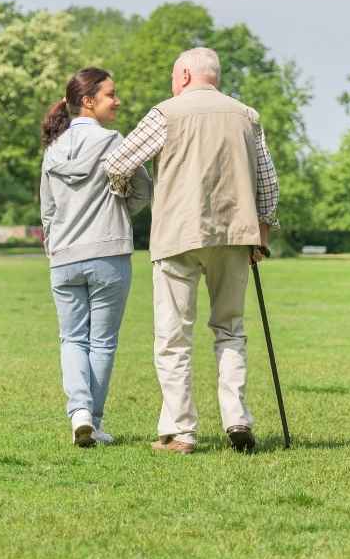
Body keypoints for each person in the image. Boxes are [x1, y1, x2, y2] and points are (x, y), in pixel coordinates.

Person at [103, 48, 280, 454]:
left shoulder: (166, 113)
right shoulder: (246, 115)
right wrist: (262, 234)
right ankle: (236, 418)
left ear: (183, 75)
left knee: (173, 337)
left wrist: (129, 197)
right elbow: (267, 181)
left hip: (178, 235)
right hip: (236, 236)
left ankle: (180, 431)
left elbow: (117, 163)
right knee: (230, 328)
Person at [39, 67, 151, 448]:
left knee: (71, 340)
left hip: (64, 257)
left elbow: (48, 210)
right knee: (101, 342)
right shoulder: (115, 142)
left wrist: (57, 244)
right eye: (110, 95)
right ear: (88, 101)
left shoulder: (53, 149)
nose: (117, 101)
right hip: (108, 252)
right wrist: (119, 210)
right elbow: (142, 191)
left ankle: (79, 414)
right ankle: (95, 421)